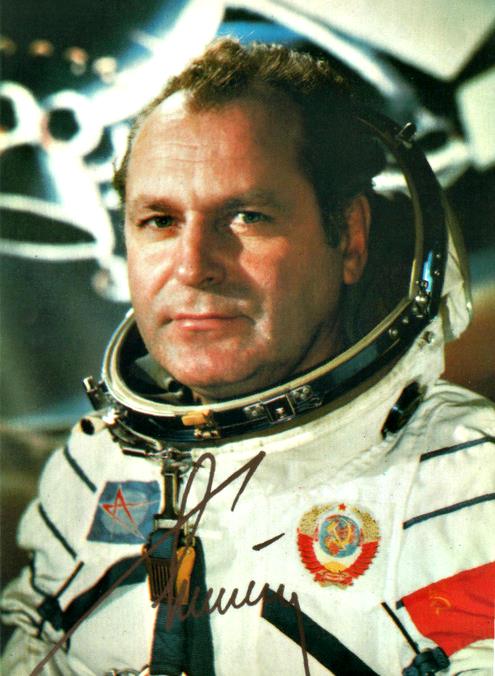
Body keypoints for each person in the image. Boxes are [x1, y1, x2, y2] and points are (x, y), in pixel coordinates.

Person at [1, 38, 494, 676]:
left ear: (350, 239)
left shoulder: (468, 491)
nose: (193, 266)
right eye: (159, 221)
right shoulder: (93, 470)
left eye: (247, 217)